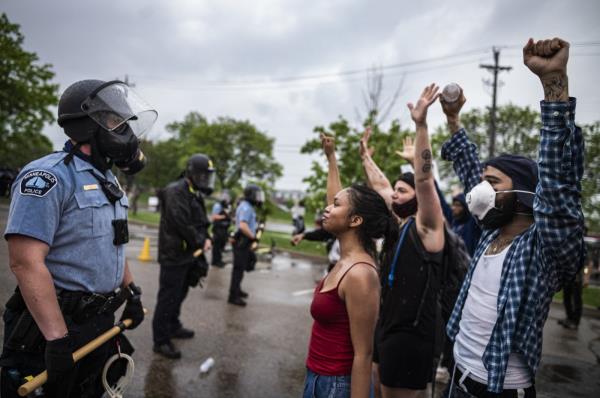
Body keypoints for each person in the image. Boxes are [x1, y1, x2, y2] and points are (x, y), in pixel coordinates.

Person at [440, 37, 585, 397]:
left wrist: (554, 83)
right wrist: (453, 119)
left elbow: (559, 181)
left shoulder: (544, 246)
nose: (478, 191)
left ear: (523, 193)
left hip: (499, 390)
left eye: (491, 182)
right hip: (458, 376)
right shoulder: (491, 233)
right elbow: (469, 165)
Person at [1, 79, 152, 397]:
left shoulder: (107, 179)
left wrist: (131, 291)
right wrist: (56, 339)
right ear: (86, 124)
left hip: (97, 322)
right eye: (115, 121)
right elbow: (25, 263)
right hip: (51, 325)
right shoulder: (47, 176)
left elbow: (115, 243)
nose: (123, 130)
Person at [360, 85, 446, 398]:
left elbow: (423, 180)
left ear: (419, 199)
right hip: (387, 326)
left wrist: (421, 126)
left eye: (403, 191)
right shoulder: (400, 222)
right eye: (395, 190)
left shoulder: (428, 228)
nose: (395, 194)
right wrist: (366, 157)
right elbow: (382, 185)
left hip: (412, 335)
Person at [303, 133, 395, 398]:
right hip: (317, 377)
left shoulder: (361, 275)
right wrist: (332, 158)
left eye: (336, 206)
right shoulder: (345, 257)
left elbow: (364, 355)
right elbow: (337, 199)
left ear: (355, 221)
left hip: (337, 386)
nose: (327, 209)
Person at [152, 154, 214, 359]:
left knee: (180, 293)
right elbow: (181, 223)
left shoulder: (192, 192)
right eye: (204, 176)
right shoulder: (175, 191)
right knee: (168, 298)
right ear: (192, 173)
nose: (206, 180)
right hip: (174, 255)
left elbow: (200, 221)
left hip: (188, 255)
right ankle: (160, 341)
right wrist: (200, 240)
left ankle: (173, 325)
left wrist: (207, 236)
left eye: (208, 177)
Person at [228, 184, 264, 307]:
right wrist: (253, 237)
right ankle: (233, 296)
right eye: (256, 195)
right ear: (250, 195)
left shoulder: (247, 206)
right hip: (242, 241)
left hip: (244, 241)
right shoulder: (246, 207)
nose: (258, 198)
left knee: (243, 266)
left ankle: (237, 290)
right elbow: (243, 226)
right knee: (238, 269)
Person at [211, 190, 232, 268]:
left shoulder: (226, 206)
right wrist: (224, 217)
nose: (226, 198)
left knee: (221, 246)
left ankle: (219, 260)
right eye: (225, 197)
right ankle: (215, 261)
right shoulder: (217, 206)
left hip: (224, 230)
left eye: (227, 197)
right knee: (216, 246)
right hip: (218, 229)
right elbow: (214, 217)